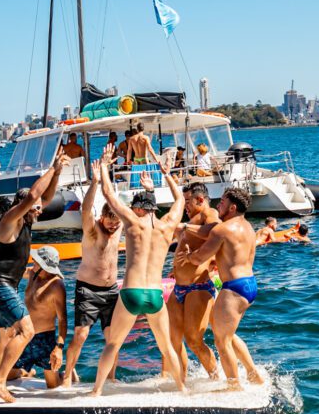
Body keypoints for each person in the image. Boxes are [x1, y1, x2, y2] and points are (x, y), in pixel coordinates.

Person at [89, 143, 185, 397]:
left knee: (113, 343)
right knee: (167, 349)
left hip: (131, 293)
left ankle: (96, 391)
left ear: (140, 208)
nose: (132, 210)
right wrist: (165, 174)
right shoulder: (167, 226)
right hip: (155, 295)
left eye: (135, 206)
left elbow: (109, 195)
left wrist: (107, 166)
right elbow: (181, 199)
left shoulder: (132, 223)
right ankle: (182, 389)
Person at [0, 149, 70, 403]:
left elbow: (43, 197)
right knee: (27, 330)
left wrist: (58, 173)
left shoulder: (27, 220)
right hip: (1, 287)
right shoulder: (10, 221)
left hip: (0, 285)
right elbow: (34, 194)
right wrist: (52, 168)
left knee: (5, 335)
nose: (40, 209)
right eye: (35, 208)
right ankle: (0, 382)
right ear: (24, 207)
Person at [177, 187, 263, 390]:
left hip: (233, 288)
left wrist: (187, 257)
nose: (218, 205)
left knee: (221, 342)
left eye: (222, 202)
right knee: (229, 335)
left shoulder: (222, 229)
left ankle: (234, 387)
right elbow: (232, 253)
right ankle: (253, 374)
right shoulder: (248, 227)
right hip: (249, 284)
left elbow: (200, 257)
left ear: (232, 207)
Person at [62, 160, 123, 388]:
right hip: (88, 290)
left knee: (112, 340)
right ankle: (67, 374)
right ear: (102, 218)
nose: (113, 227)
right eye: (109, 223)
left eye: (116, 225)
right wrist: (95, 181)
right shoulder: (93, 229)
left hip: (111, 291)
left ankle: (111, 377)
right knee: (81, 335)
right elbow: (85, 209)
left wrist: (108, 170)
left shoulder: (118, 226)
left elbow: (120, 205)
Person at [168, 182, 219, 379]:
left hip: (198, 287)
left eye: (187, 201)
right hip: (178, 287)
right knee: (173, 339)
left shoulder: (209, 214)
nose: (185, 206)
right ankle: (181, 382)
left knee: (194, 341)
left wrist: (186, 227)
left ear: (200, 199)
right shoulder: (190, 222)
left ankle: (216, 378)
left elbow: (215, 230)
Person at [8, 247, 71, 389]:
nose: (33, 263)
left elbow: (63, 320)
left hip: (44, 339)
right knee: (7, 377)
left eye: (36, 261)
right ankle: (26, 372)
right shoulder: (33, 273)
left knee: (53, 385)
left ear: (45, 265)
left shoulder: (56, 286)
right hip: (25, 335)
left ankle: (68, 373)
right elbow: (14, 271)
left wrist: (59, 348)